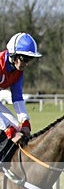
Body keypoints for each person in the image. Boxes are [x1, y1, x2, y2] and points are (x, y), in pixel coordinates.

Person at [0, 32, 42, 164]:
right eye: (25, 58)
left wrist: (24, 120)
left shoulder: (18, 72)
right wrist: (8, 130)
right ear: (13, 55)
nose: (26, 64)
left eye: (29, 60)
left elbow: (17, 97)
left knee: (17, 130)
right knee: (9, 131)